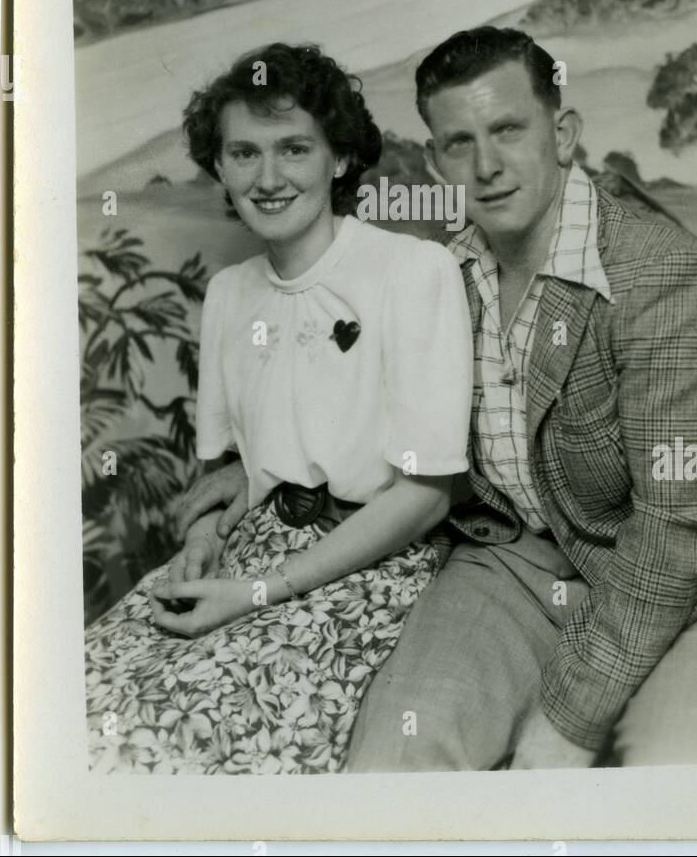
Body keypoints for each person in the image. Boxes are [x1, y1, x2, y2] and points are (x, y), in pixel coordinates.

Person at [344, 25, 697, 771]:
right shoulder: (439, 278)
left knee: (677, 770)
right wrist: (233, 469)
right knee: (396, 755)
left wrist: (569, 716)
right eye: (459, 143)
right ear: (435, 161)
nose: (488, 166)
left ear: (562, 134)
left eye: (507, 129)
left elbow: (685, 532)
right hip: (520, 563)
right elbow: (350, 409)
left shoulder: (665, 278)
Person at [84, 41, 472, 774]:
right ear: (220, 168)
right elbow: (230, 466)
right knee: (86, 697)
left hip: (368, 568)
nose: (267, 179)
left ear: (338, 159)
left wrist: (257, 593)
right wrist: (202, 539)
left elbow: (424, 498)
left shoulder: (413, 271)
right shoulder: (231, 292)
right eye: (243, 154)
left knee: (180, 737)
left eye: (293, 149)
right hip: (247, 554)